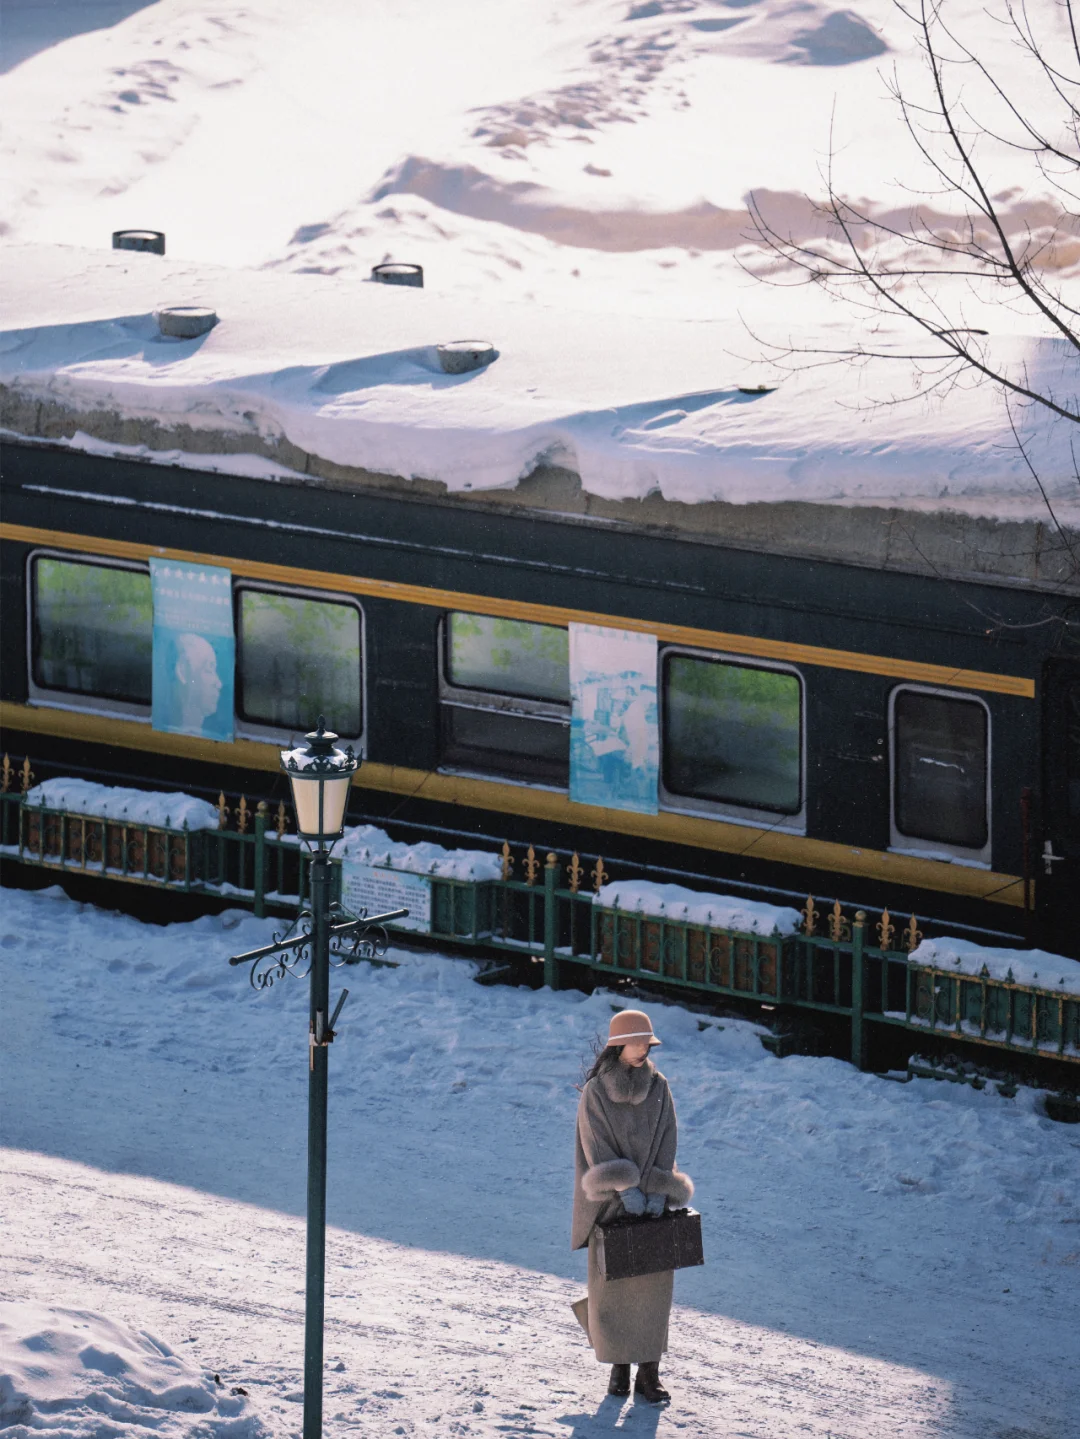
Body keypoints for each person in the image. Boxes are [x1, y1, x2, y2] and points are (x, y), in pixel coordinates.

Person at [571, 1009, 694, 1404]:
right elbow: (595, 1145)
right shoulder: (595, 1093)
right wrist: (625, 1190)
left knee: (653, 1292)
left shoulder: (659, 1086)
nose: (644, 1048)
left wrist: (659, 1190)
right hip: (611, 1207)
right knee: (614, 1289)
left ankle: (649, 1374)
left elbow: (668, 1139)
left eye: (648, 1043)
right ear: (619, 1044)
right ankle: (619, 1370)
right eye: (638, 1041)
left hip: (653, 1210)